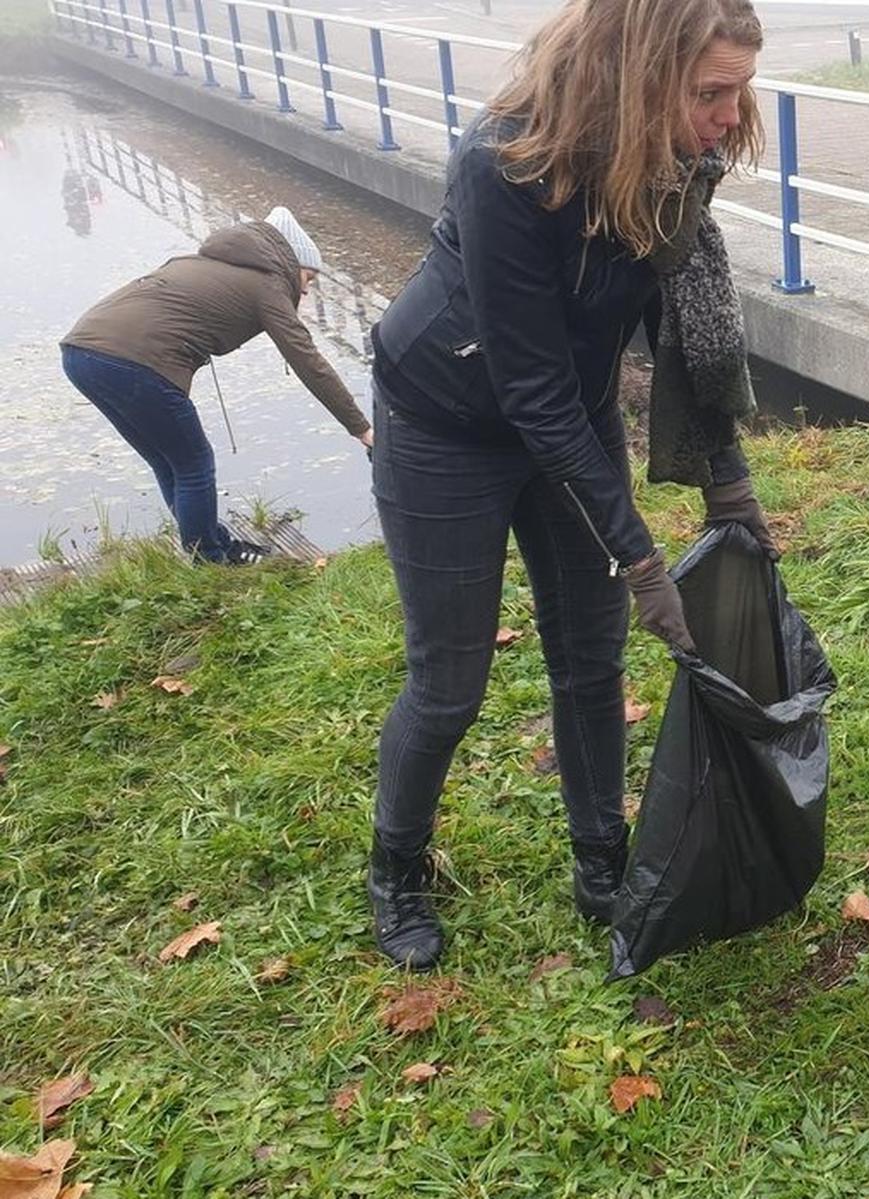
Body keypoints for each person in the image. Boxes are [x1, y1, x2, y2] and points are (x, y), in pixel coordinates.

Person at [363, 0, 776, 970]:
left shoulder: (678, 162)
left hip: (569, 409)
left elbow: (682, 324)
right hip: (445, 423)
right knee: (449, 680)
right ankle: (396, 866)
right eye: (711, 92)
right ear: (638, 75)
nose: (730, 116)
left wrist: (729, 481)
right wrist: (638, 555)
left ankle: (601, 861)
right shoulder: (506, 164)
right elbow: (531, 387)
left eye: (741, 92)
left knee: (590, 660)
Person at [60, 207, 370, 563]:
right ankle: (210, 560)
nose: (306, 289)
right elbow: (308, 361)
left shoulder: (199, 263)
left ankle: (214, 543)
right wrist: (360, 428)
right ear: (290, 262)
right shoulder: (267, 285)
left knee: (168, 460)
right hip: (133, 361)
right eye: (309, 278)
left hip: (80, 354)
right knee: (194, 463)